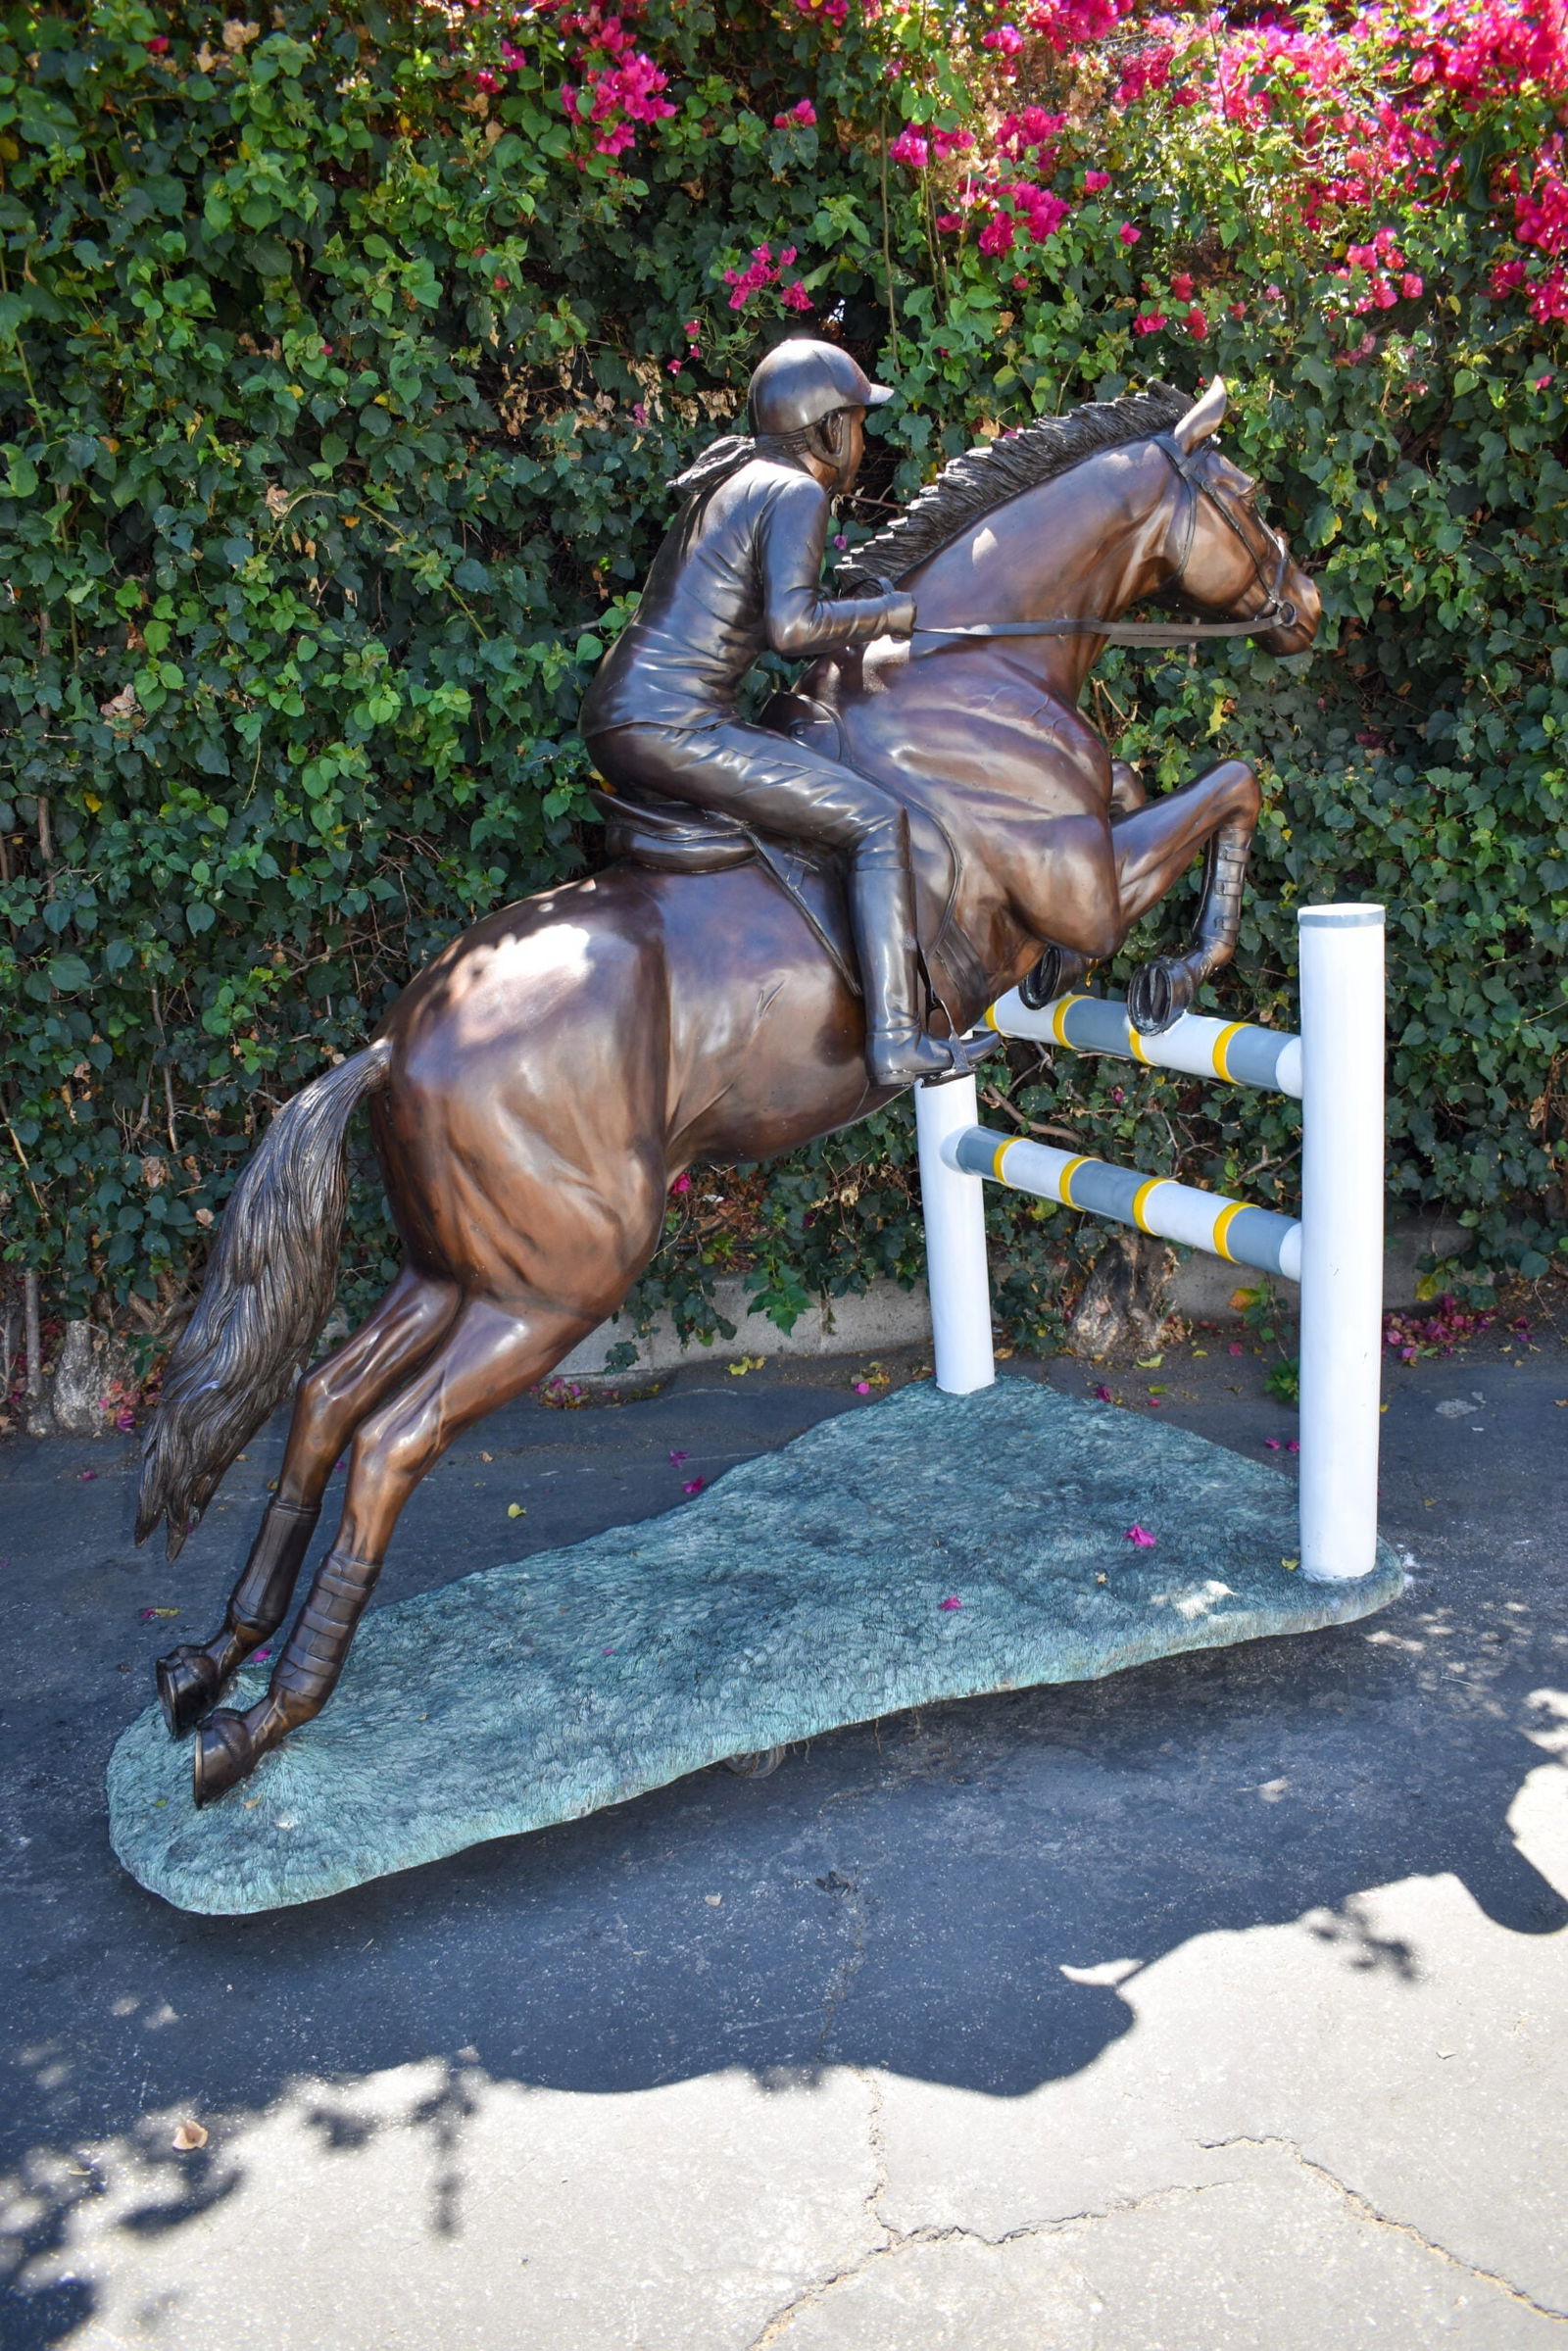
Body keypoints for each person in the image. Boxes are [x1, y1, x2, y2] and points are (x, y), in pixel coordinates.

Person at [581, 336, 989, 1087]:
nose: (862, 442)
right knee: (873, 819)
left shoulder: (737, 479)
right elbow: (793, 629)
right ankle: (896, 1038)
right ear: (832, 429)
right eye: (859, 424)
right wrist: (888, 614)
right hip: (672, 723)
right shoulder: (796, 489)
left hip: (625, 711)